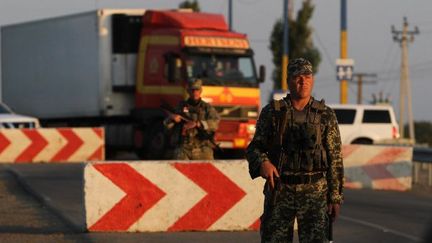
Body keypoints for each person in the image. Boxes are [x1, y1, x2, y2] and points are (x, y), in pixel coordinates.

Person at [246, 58, 344, 242]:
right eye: (298, 77)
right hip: (280, 190)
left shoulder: (325, 115)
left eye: (307, 76)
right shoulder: (273, 113)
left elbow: (335, 159)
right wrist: (263, 163)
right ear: (289, 80)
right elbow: (254, 148)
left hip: (315, 192)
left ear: (312, 79)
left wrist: (335, 197)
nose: (303, 81)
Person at [164, 79, 220, 160]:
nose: (195, 92)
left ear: (200, 91)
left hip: (202, 149)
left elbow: (215, 122)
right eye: (192, 90)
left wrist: (198, 123)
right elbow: (166, 127)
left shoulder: (207, 107)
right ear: (188, 91)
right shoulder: (181, 107)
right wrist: (172, 119)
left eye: (197, 90)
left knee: (207, 172)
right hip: (183, 149)